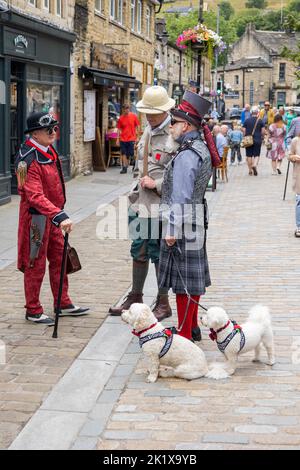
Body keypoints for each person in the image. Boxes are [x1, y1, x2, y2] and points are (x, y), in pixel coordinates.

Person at [109, 86, 177, 320]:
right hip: (140, 202)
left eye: (152, 112)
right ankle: (135, 296)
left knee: (157, 253)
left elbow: (179, 174)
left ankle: (162, 302)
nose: (148, 116)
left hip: (159, 204)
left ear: (164, 110)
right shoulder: (148, 130)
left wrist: (156, 184)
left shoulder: (174, 133)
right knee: (138, 249)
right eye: (146, 111)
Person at [15, 112, 89, 325]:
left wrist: (57, 213)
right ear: (35, 133)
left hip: (53, 216)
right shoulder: (27, 158)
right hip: (36, 219)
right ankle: (33, 309)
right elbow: (33, 195)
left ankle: (62, 302)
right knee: (35, 263)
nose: (53, 132)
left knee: (59, 257)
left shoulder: (48, 151)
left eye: (55, 128)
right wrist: (59, 214)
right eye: (48, 130)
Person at [158, 91, 214, 342]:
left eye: (174, 122)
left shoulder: (188, 153)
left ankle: (183, 333)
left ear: (186, 125)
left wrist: (171, 230)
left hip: (183, 223)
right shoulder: (199, 147)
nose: (170, 127)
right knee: (192, 277)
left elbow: (180, 197)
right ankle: (191, 326)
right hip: (196, 219)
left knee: (184, 282)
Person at [117, 104, 140, 174]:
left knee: (131, 154)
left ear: (129, 109)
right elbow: (119, 129)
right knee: (123, 153)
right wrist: (118, 139)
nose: (126, 110)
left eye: (127, 109)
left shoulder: (133, 116)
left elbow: (138, 126)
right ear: (123, 110)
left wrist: (138, 137)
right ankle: (124, 168)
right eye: (125, 109)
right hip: (123, 139)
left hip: (131, 138)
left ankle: (134, 164)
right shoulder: (120, 118)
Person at [243, 106, 265, 176]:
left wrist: (245, 136)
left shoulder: (247, 120)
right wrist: (262, 137)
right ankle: (254, 165)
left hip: (248, 140)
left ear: (251, 112)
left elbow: (244, 130)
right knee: (256, 154)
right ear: (257, 112)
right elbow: (263, 131)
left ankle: (250, 170)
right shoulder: (260, 121)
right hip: (257, 139)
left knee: (249, 155)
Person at [288, 133, 300, 238]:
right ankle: (299, 227)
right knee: (299, 201)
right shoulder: (296, 140)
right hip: (299, 175)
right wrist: (293, 157)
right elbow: (290, 155)